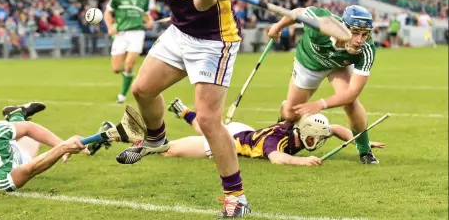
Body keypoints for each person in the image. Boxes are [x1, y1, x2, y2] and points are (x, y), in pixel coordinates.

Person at [115, 0, 250, 218]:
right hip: (179, 32)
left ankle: (236, 196)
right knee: (142, 90)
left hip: (213, 41)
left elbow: (200, 3)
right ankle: (156, 138)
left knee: (207, 120)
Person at [268, 5, 380, 165]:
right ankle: (285, 108)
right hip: (309, 64)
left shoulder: (367, 48)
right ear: (343, 27)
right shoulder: (320, 23)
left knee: (351, 103)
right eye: (355, 33)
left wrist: (320, 104)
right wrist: (277, 27)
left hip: (338, 66)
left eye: (364, 34)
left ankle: (365, 150)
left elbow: (352, 93)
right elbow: (297, 12)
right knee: (291, 114)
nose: (359, 40)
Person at [161, 98, 385, 164]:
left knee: (207, 128)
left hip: (246, 131)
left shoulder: (303, 130)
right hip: (232, 141)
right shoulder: (276, 142)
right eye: (314, 139)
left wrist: (360, 143)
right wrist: (303, 162)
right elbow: (277, 159)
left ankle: (184, 112)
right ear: (306, 133)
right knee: (169, 151)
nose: (317, 141)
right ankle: (142, 141)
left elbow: (335, 128)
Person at [104, 0, 155, 104]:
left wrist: (149, 22)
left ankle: (122, 95)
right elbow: (108, 13)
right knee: (116, 68)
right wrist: (110, 27)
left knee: (129, 64)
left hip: (137, 34)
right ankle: (128, 76)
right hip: (121, 34)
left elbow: (146, 16)